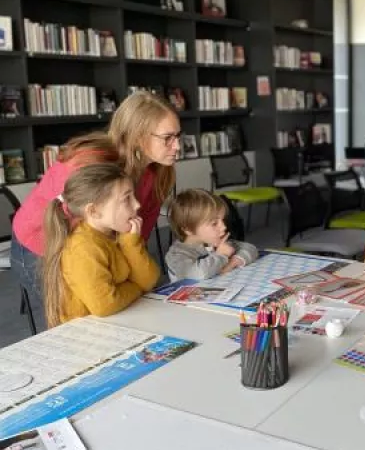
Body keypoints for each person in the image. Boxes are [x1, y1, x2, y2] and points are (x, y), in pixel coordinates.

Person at [10, 91, 180, 322]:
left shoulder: (157, 172)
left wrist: (131, 276)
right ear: (138, 136)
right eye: (167, 137)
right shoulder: (88, 164)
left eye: (178, 135)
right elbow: (78, 241)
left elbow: (135, 238)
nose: (177, 145)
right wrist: (133, 285)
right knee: (77, 320)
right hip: (44, 243)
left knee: (114, 312)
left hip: (95, 244)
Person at [40, 163, 160, 328]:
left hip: (117, 321)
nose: (137, 205)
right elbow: (105, 305)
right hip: (88, 336)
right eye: (127, 199)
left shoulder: (116, 234)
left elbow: (149, 279)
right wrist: (136, 287)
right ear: (94, 211)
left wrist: (131, 244)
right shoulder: (83, 248)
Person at [165, 189, 258, 281]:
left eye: (223, 220)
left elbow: (251, 248)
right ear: (188, 229)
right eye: (214, 223)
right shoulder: (176, 255)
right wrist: (222, 255)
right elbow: (198, 273)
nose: (224, 227)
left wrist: (233, 263)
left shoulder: (212, 241)